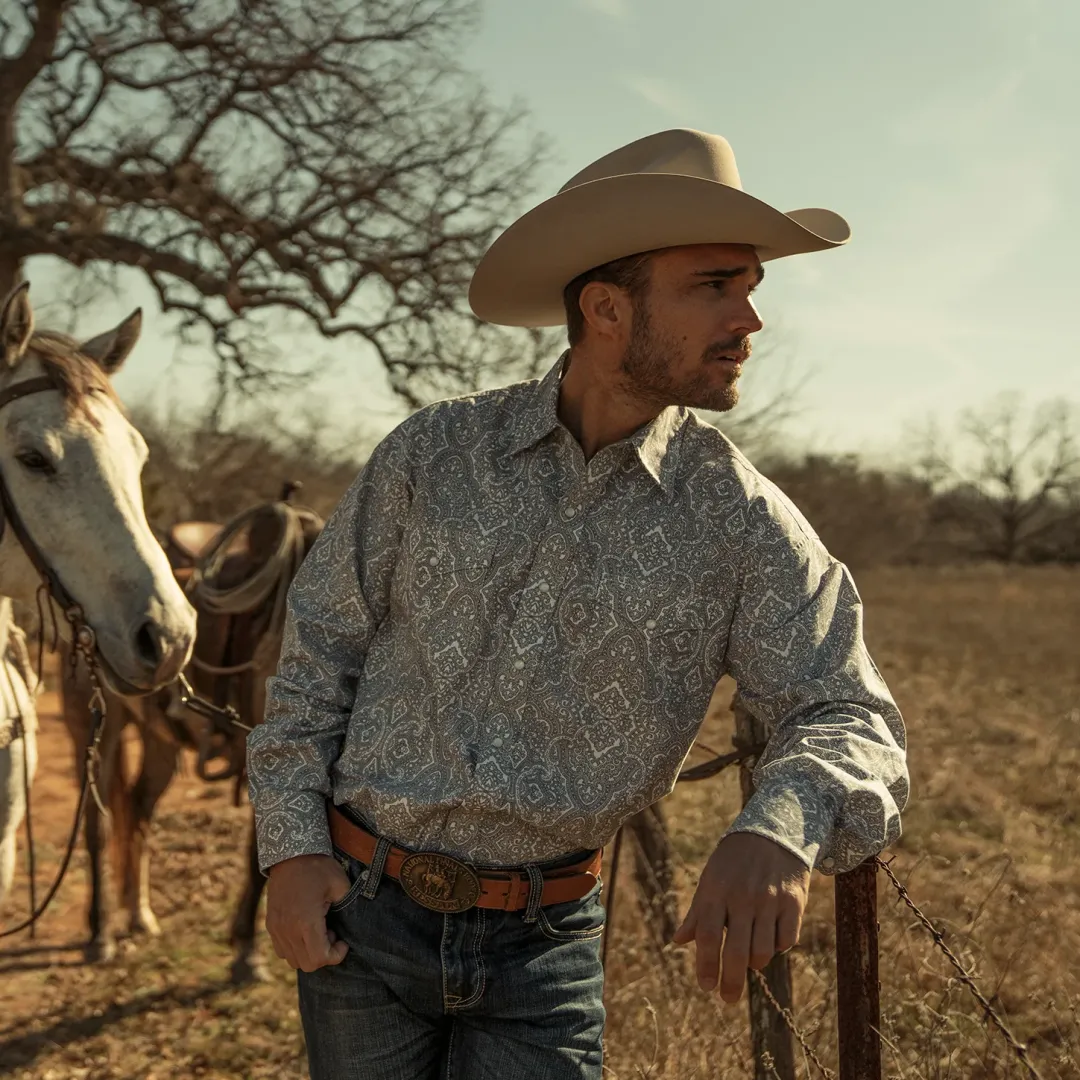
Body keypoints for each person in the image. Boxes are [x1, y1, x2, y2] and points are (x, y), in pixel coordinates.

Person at [247, 128, 909, 1080]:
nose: (750, 320)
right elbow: (319, 654)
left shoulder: (742, 520)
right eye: (715, 286)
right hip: (362, 917)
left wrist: (782, 822)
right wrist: (290, 851)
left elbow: (849, 710)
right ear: (606, 307)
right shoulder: (431, 455)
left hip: (543, 946)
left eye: (752, 288)